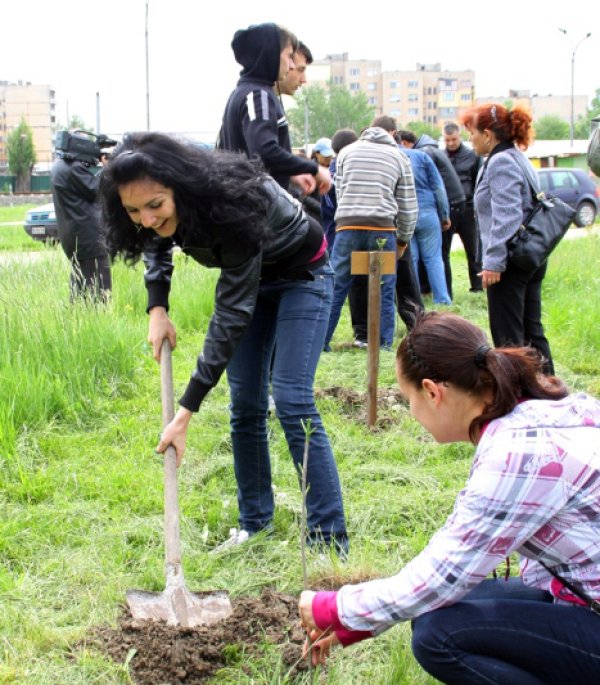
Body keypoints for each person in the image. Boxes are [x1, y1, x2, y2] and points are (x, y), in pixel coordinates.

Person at [299, 311, 600, 684]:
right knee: (442, 610)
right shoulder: (536, 415)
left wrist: (334, 609)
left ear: (432, 391)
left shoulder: (519, 456)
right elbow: (453, 566)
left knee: (439, 635)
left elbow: (442, 575)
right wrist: (357, 625)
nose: (411, 412)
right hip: (579, 593)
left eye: (407, 397)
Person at [100, 132, 348, 553]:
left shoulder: (232, 202)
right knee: (246, 403)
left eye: (155, 204)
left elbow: (231, 315)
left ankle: (328, 539)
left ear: (181, 187)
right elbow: (153, 241)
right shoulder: (154, 208)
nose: (146, 217)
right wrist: (156, 307)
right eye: (133, 210)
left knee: (290, 397)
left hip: (303, 274)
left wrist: (186, 410)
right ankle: (255, 524)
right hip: (255, 275)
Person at [462, 103, 555, 373]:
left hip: (509, 263)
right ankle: (548, 389)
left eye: (473, 133)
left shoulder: (500, 161)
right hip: (529, 258)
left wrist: (493, 262)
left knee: (509, 337)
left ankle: (518, 398)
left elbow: (508, 214)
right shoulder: (516, 156)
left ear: (488, 135)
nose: (471, 140)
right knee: (531, 331)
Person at [324, 125, 418, 350]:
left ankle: (321, 341)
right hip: (382, 229)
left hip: (347, 225)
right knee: (385, 287)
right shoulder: (399, 156)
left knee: (336, 286)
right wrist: (403, 239)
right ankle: (383, 345)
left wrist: (345, 217)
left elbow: (340, 191)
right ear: (391, 136)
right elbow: (407, 204)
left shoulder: (346, 153)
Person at [218, 23, 330, 197]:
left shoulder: (245, 91)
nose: (292, 65)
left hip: (247, 205)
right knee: (310, 224)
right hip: (256, 209)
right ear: (270, 54)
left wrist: (292, 173)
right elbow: (264, 150)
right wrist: (314, 168)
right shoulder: (257, 95)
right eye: (289, 56)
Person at [398, 130, 465, 298]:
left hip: (405, 213)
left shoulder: (393, 158)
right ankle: (442, 299)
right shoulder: (421, 156)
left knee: (411, 259)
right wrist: (444, 215)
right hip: (428, 213)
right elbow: (438, 188)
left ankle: (414, 298)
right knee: (434, 258)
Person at [51, 132, 112, 301]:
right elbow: (97, 190)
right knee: (100, 291)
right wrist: (107, 168)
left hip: (73, 237)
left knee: (80, 288)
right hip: (88, 237)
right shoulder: (72, 168)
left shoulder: (58, 166)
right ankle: (98, 322)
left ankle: (78, 321)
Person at [443, 122, 483, 292]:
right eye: (447, 140)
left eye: (454, 139)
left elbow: (479, 182)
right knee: (443, 253)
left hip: (468, 208)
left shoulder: (473, 155)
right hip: (448, 210)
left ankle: (477, 286)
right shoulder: (440, 156)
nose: (451, 143)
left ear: (460, 136)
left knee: (473, 250)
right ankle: (446, 289)